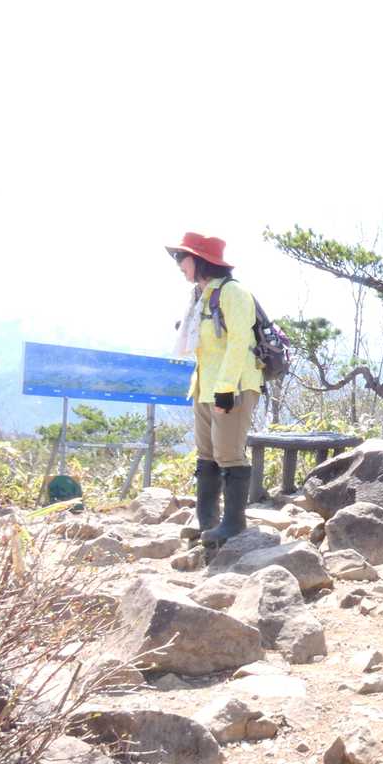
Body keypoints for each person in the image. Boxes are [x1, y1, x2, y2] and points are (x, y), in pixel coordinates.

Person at [168, 231, 262, 546]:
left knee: (229, 453)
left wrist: (225, 388)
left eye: (181, 257)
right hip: (204, 386)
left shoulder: (233, 293)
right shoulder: (200, 295)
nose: (178, 264)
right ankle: (206, 520)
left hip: (233, 386)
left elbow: (239, 342)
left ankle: (234, 523)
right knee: (207, 454)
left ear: (199, 260)